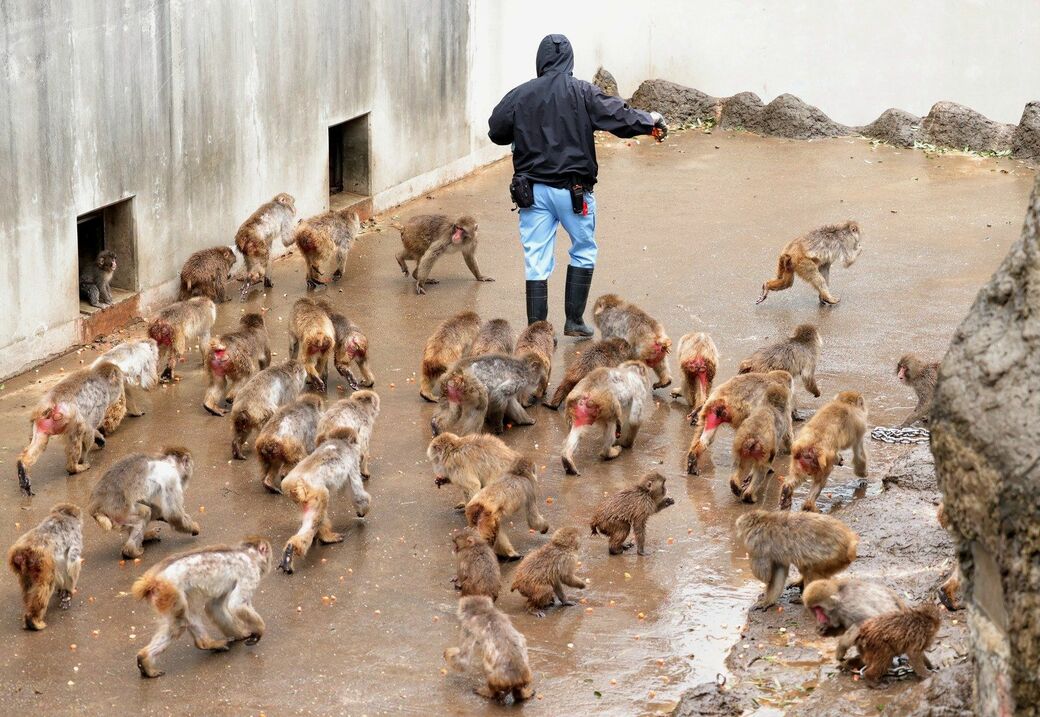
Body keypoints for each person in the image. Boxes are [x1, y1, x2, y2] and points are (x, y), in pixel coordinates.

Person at [488, 34, 667, 336]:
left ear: (540, 60)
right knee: (583, 250)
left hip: (533, 193)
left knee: (536, 259)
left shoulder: (520, 95)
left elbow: (496, 130)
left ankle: (537, 333)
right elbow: (619, 116)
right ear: (569, 60)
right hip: (575, 193)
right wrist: (651, 121)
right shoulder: (583, 92)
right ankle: (574, 321)